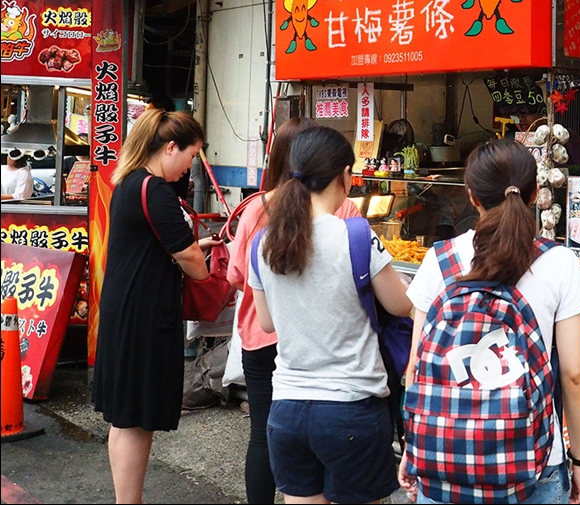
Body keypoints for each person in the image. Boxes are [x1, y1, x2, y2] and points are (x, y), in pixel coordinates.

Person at [398, 138, 580, 504]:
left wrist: (414, 448)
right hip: (533, 462)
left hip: (444, 456)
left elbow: (415, 367)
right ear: (535, 193)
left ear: (471, 195)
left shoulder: (438, 261)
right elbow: (574, 373)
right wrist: (579, 459)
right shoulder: (559, 262)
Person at [247, 126, 411, 504]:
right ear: (344, 177)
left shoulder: (264, 242)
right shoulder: (354, 234)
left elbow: (267, 322)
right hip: (351, 408)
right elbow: (400, 305)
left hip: (287, 409)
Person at [226, 117, 363, 505]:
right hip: (323, 338)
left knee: (264, 433)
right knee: (324, 432)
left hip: (260, 333)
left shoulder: (256, 208)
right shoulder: (346, 208)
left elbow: (237, 274)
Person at [91, 108, 220, 504]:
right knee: (135, 417)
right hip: (143, 316)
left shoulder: (130, 182)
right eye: (190, 155)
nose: (188, 169)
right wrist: (207, 271)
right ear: (169, 147)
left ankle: (126, 500)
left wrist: (193, 249)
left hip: (124, 309)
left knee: (125, 415)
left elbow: (156, 247)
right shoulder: (157, 191)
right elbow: (192, 263)